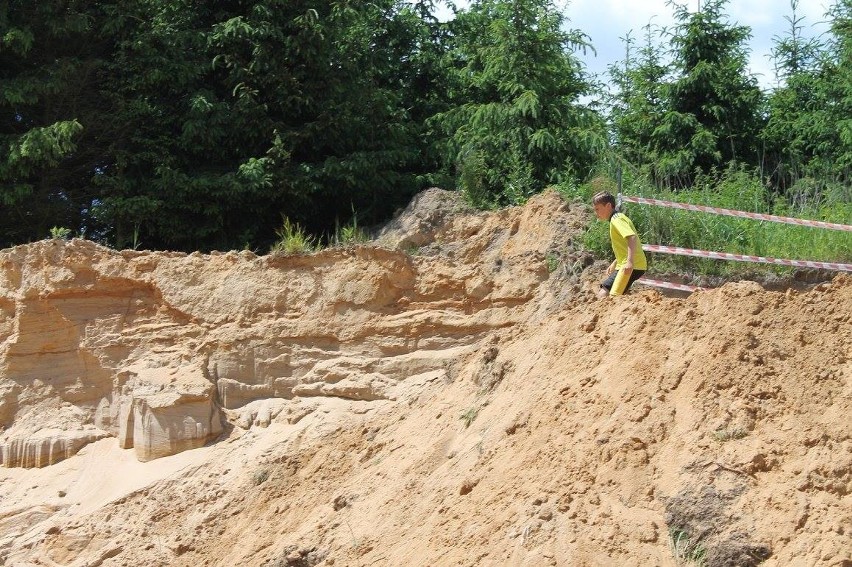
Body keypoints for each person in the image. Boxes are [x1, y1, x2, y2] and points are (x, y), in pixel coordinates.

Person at [592, 191, 647, 298]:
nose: (596, 213)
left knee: (609, 294)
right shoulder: (616, 218)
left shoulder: (617, 219)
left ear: (608, 206)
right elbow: (624, 245)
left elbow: (631, 237)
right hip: (630, 264)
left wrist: (629, 262)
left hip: (632, 265)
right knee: (608, 290)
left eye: (597, 209)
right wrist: (615, 262)